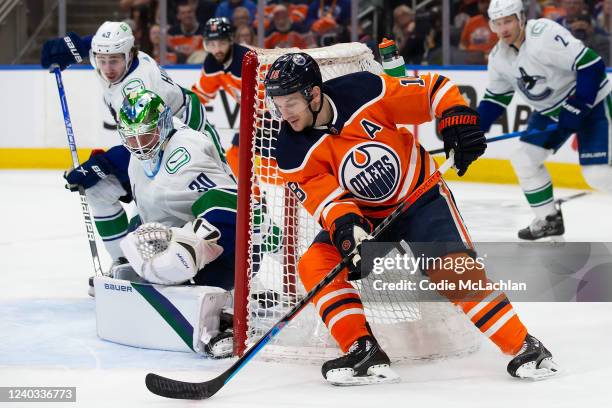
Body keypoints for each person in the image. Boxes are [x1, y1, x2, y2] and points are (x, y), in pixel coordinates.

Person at [264, 52, 559, 384]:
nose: (283, 112)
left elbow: (432, 89)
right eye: (277, 103)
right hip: (369, 218)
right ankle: (363, 350)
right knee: (315, 263)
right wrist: (349, 231)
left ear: (313, 94)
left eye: (289, 102)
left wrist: (455, 117)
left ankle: (525, 346)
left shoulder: (364, 90)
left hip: (420, 196)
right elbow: (328, 201)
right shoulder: (290, 150)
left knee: (451, 269)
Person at [40, 21, 222, 285]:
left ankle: (233, 272)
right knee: (100, 190)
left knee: (184, 211)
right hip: (153, 144)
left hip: (186, 145)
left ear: (129, 55)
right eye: (101, 60)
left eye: (114, 61)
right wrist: (70, 46)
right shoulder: (115, 55)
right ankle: (125, 263)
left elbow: (144, 144)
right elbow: (96, 47)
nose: (107, 68)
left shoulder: (137, 88)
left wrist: (98, 165)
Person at [89, 89, 237, 357]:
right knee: (138, 248)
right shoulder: (142, 153)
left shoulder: (187, 150)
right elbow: (152, 196)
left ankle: (223, 317)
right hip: (192, 224)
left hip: (236, 237)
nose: (139, 143)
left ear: (164, 123)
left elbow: (227, 205)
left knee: (175, 256)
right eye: (131, 136)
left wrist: (195, 246)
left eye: (145, 134)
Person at [477, 0, 612, 240]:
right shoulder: (498, 57)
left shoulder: (543, 35)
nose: (504, 28)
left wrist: (578, 104)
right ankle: (548, 219)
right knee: (524, 159)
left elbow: (592, 65)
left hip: (592, 103)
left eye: (508, 21)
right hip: (551, 111)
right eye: (498, 23)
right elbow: (495, 100)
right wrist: (474, 130)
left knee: (598, 175)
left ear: (520, 18)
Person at [192, 17, 250, 177]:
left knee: (254, 158)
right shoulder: (212, 62)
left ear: (230, 41)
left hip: (273, 114)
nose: (216, 49)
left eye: (221, 43)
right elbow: (202, 93)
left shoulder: (246, 60)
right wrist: (182, 102)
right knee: (234, 156)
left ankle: (258, 196)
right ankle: (254, 198)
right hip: (254, 117)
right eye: (211, 44)